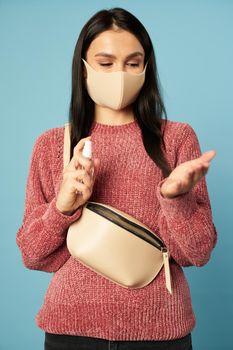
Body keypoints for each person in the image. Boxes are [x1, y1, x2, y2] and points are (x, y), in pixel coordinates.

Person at [16, 7, 217, 350]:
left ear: (145, 68)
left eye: (133, 63)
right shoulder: (52, 145)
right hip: (71, 332)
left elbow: (196, 254)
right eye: (106, 64)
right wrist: (61, 209)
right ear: (83, 70)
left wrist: (175, 199)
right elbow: (33, 256)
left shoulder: (177, 139)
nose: (120, 74)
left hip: (160, 332)